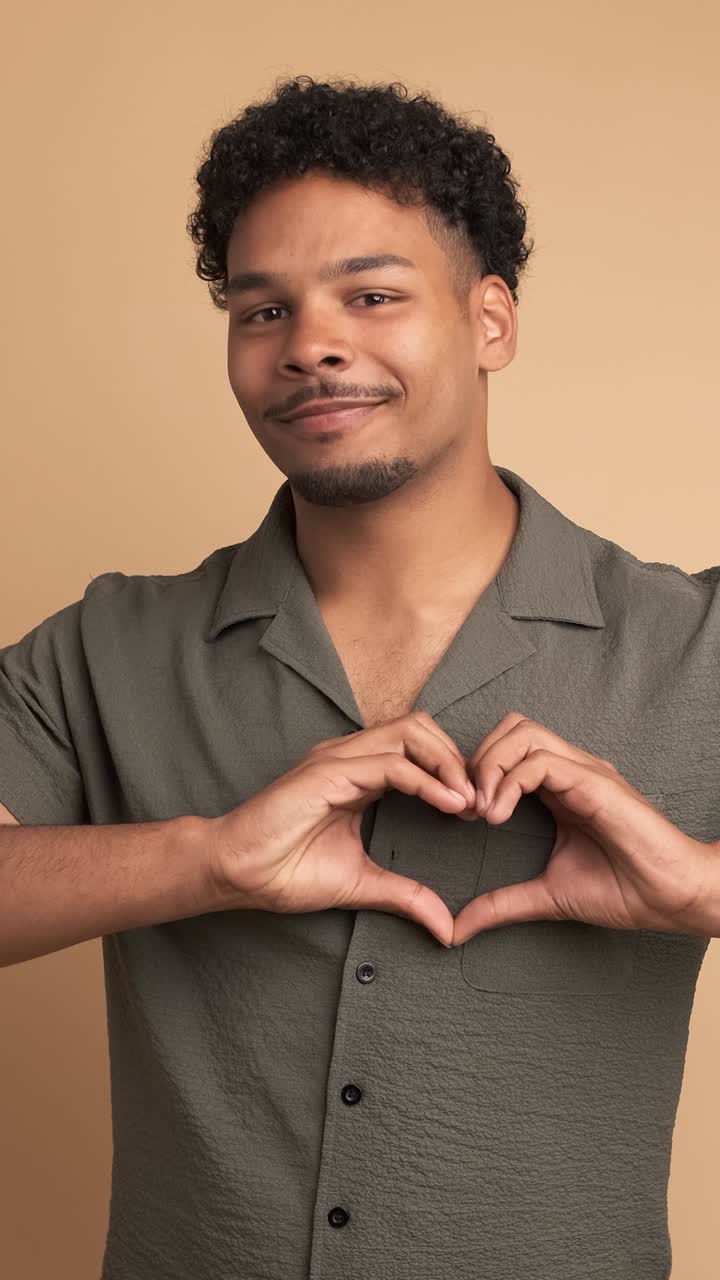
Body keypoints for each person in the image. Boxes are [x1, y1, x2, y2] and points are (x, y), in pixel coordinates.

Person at [1, 74, 718, 1280]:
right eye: (260, 310)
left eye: (371, 295)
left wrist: (704, 884)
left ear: (491, 321)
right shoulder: (106, 644)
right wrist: (207, 857)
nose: (312, 345)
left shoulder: (692, 642)